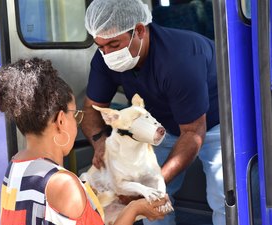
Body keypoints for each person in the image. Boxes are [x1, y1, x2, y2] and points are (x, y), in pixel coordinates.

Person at [81, 0, 225, 225]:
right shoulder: (105, 58)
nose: (107, 54)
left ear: (139, 30)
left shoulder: (180, 59)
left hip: (215, 122)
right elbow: (91, 108)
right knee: (151, 209)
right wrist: (101, 144)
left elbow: (193, 133)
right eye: (100, 47)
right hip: (161, 126)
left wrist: (151, 185)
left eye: (114, 45)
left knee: (225, 198)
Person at [0, 58, 170, 225]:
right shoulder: (64, 184)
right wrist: (135, 208)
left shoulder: (16, 165)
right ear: (61, 121)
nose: (77, 123)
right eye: (76, 115)